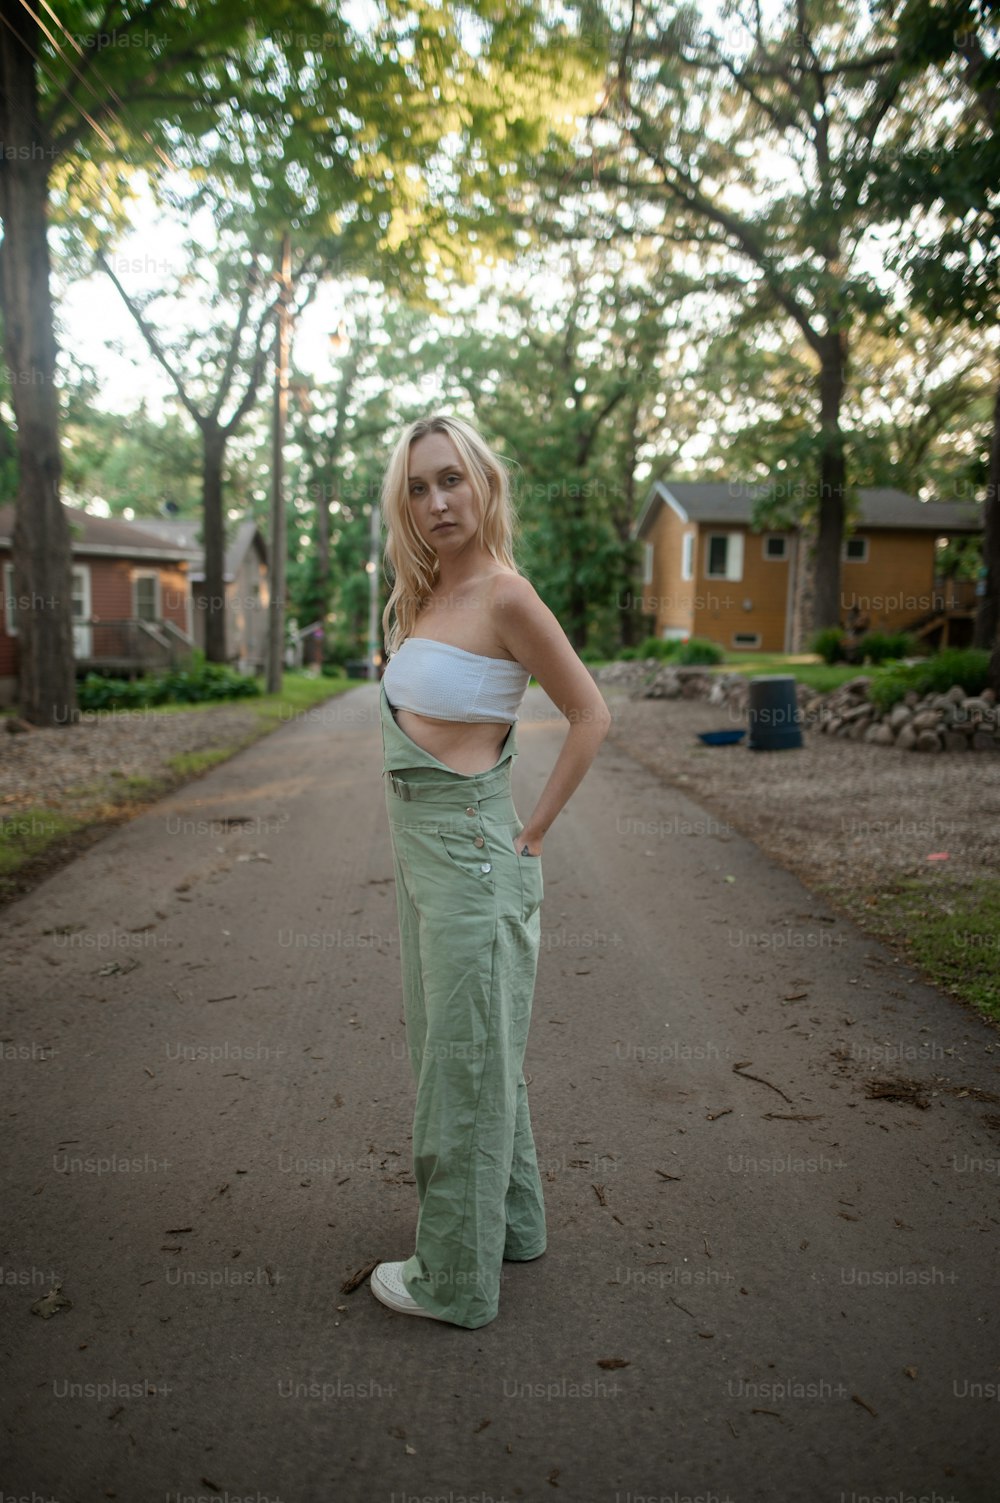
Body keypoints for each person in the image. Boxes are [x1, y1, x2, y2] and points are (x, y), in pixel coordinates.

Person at [370, 411, 612, 1329]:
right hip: (423, 862)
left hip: (473, 859)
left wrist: (537, 829)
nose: (437, 501)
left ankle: (454, 1281)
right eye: (419, 487)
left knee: (461, 1070)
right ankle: (511, 1224)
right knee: (474, 1056)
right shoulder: (426, 596)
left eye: (452, 479)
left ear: (484, 483)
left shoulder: (508, 595)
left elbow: (590, 713)